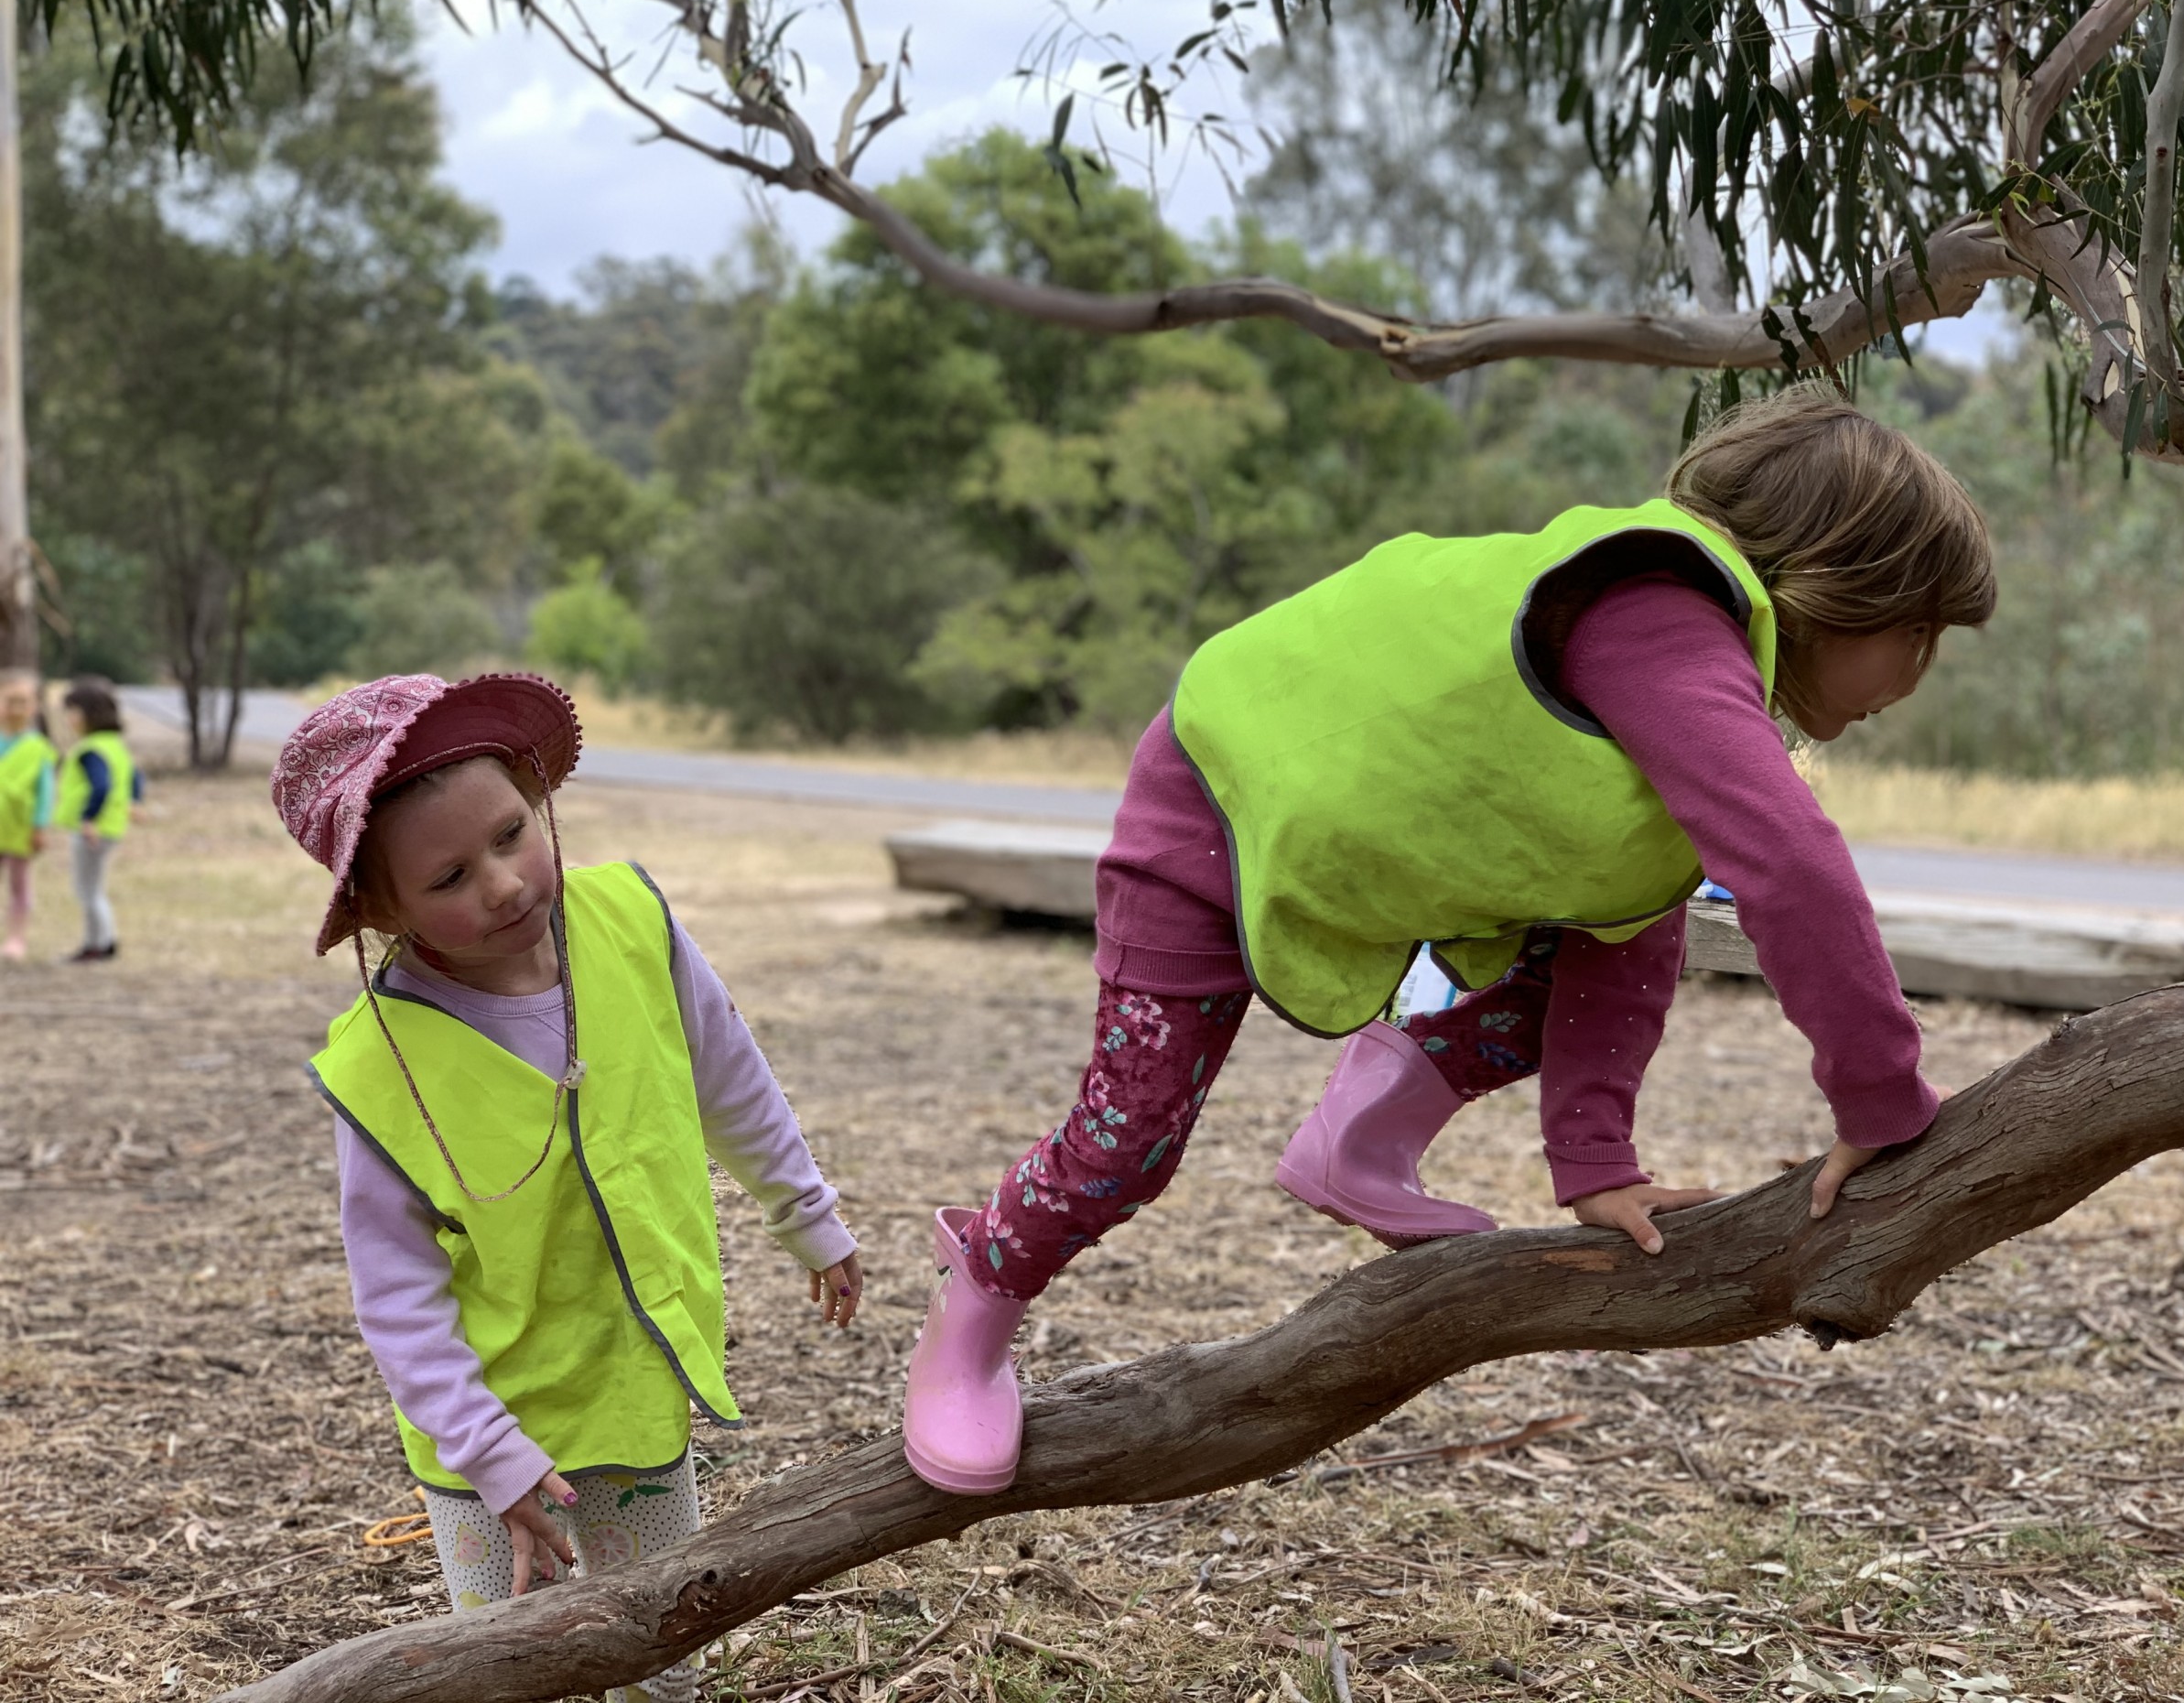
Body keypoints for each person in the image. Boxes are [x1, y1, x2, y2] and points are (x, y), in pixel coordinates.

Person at [899, 386, 1995, 1496]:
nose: (1916, 677)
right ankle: (977, 1299)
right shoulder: (1654, 611)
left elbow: (1626, 925)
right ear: (1844, 588)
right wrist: (1881, 1098)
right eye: (1922, 636)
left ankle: (1359, 1140)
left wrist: (1597, 1165)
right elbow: (1794, 871)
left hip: (1363, 848)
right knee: (1126, 1141)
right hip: (1215, 805)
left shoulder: (1694, 683)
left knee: (1539, 986)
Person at [272, 673, 862, 1703]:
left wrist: (805, 1213)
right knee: (510, 1667)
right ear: (379, 905)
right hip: (486, 1437)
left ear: (538, 795)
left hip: (631, 1396)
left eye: (511, 834)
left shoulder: (631, 925)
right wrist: (490, 1456)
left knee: (659, 1638)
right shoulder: (380, 1069)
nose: (501, 884)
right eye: (449, 876)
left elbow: (731, 1078)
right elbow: (398, 1298)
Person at [56, 678, 141, 964]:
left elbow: (100, 786)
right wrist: (134, 801)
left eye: (72, 712)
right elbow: (134, 775)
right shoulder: (114, 745)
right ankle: (102, 941)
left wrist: (88, 818)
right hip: (111, 826)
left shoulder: (91, 749)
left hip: (93, 829)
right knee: (94, 888)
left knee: (87, 890)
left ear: (89, 714)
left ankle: (99, 944)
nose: (68, 719)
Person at [0, 669, 58, 962]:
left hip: (20, 828)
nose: (15, 708)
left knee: (19, 886)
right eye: (9, 700)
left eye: (23, 701)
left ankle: (16, 938)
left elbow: (45, 793)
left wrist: (40, 826)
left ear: (34, 706)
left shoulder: (39, 749)